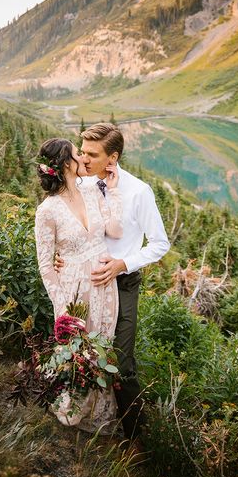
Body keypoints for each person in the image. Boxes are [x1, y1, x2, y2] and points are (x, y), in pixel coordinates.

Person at [57, 123, 170, 441]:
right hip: (84, 281)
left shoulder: (138, 192)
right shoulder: (82, 186)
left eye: (92, 154)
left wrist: (123, 263)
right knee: (80, 349)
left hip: (122, 284)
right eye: (82, 151)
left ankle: (137, 439)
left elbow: (160, 243)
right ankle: (83, 416)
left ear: (112, 158)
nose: (83, 158)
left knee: (121, 361)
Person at [34, 137, 123, 432]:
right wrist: (62, 309)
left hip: (104, 285)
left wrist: (113, 190)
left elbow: (115, 230)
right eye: (77, 155)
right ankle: (73, 409)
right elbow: (46, 265)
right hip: (74, 291)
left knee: (101, 350)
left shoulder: (92, 190)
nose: (84, 159)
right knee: (79, 354)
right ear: (65, 165)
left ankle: (98, 413)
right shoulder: (47, 210)